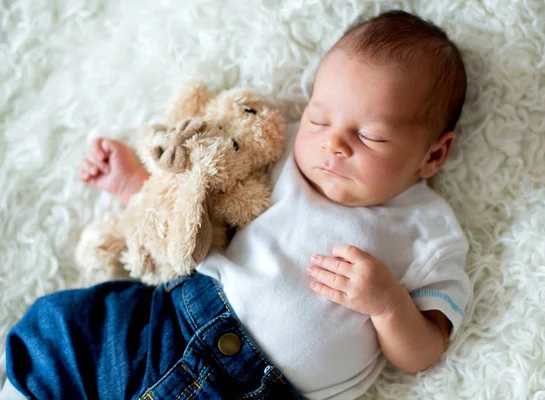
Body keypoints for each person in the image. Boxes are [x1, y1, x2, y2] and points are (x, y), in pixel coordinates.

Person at [1, 10, 471, 400]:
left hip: (259, 391)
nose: (333, 145)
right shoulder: (285, 158)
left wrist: (388, 305)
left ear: (433, 154)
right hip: (174, 321)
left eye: (370, 136)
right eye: (319, 118)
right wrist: (136, 185)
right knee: (67, 329)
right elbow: (206, 205)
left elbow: (423, 353)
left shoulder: (429, 230)